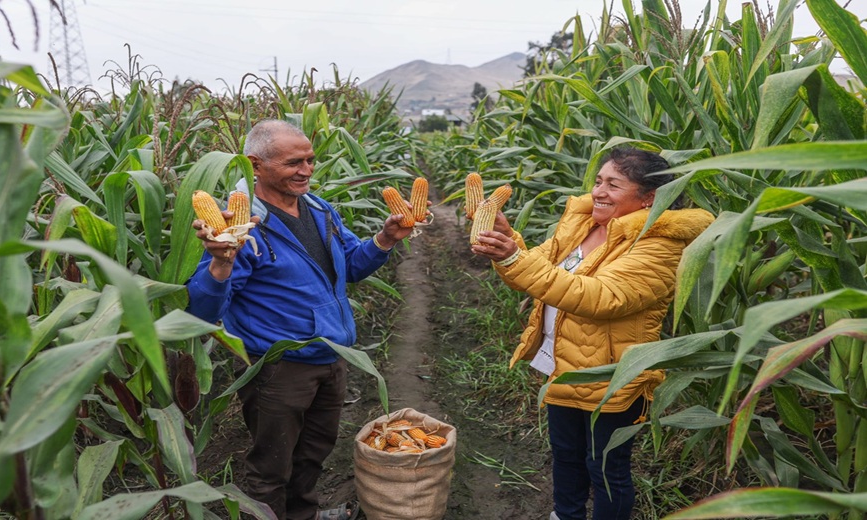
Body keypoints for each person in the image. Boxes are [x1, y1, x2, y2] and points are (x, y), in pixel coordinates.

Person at [186, 119, 414, 520]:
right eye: (294, 163)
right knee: (271, 468)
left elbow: (351, 267)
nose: (307, 170)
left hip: (332, 354)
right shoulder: (240, 228)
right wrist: (221, 262)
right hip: (279, 367)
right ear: (255, 165)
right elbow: (202, 312)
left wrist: (385, 239)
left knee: (312, 455)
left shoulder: (318, 208)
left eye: (310, 160)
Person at [470, 148, 714, 520]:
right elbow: (539, 268)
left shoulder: (659, 244)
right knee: (565, 456)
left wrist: (513, 259)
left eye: (613, 184)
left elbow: (602, 298)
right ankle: (565, 515)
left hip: (613, 376)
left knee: (606, 469)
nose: (599, 191)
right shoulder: (582, 225)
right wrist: (508, 241)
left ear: (649, 197)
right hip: (564, 366)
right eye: (598, 181)